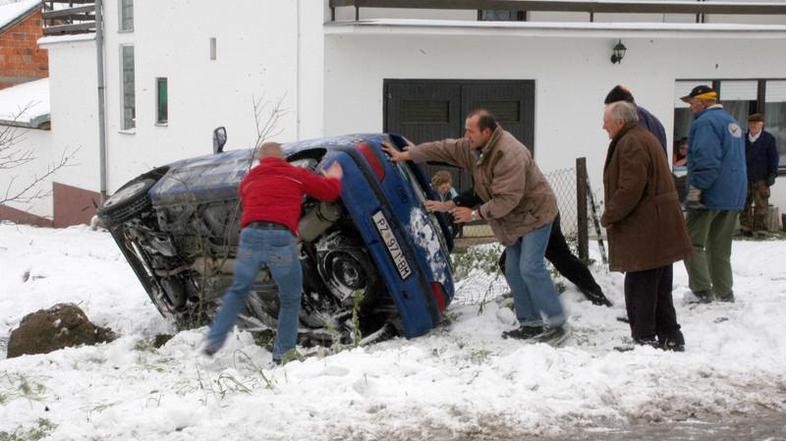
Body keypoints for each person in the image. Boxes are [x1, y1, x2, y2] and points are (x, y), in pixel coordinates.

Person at [383, 109, 569, 345]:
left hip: (535, 215)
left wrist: (474, 214)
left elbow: (507, 199)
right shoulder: (474, 147)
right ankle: (530, 323)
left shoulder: (509, 154)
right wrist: (411, 154)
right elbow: (445, 148)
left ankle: (557, 322)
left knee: (530, 267)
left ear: (486, 132)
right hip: (513, 219)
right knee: (513, 269)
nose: (466, 135)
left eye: (470, 131)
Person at [202, 142, 343, 363]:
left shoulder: (250, 178)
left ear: (261, 159)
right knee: (290, 297)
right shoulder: (295, 174)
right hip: (280, 239)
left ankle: (214, 341)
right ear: (283, 157)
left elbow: (246, 195)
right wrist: (333, 176)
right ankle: (283, 354)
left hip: (250, 237)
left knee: (238, 290)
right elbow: (328, 192)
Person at [601, 101, 691, 351]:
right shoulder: (642, 137)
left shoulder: (631, 142)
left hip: (647, 228)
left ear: (620, 121)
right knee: (658, 286)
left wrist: (610, 214)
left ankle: (644, 338)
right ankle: (670, 336)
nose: (603, 126)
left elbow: (631, 187)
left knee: (640, 285)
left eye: (606, 121)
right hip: (658, 226)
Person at [425, 190, 612, 307]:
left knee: (512, 263)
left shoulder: (505, 169)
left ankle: (531, 304)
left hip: (534, 220)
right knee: (562, 258)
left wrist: (473, 214)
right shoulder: (493, 169)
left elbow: (495, 201)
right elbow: (476, 194)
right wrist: (449, 205)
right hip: (542, 215)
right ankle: (595, 294)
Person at [681, 85, 747, 304]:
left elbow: (706, 160)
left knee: (690, 242)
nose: (691, 109)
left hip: (710, 194)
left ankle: (701, 291)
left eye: (692, 104)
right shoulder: (731, 122)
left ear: (704, 102)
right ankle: (724, 291)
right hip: (733, 194)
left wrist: (696, 190)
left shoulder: (705, 123)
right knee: (720, 246)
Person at [740, 113, 780, 237]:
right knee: (743, 203)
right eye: (751, 123)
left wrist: (773, 173)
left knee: (761, 205)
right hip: (745, 177)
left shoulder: (768, 139)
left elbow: (774, 158)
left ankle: (761, 229)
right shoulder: (743, 139)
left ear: (761, 124)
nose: (753, 126)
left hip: (762, 178)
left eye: (756, 123)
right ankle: (745, 227)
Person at [604, 85, 668, 156]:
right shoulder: (652, 119)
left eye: (611, 108)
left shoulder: (636, 119)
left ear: (621, 105)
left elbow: (638, 154)